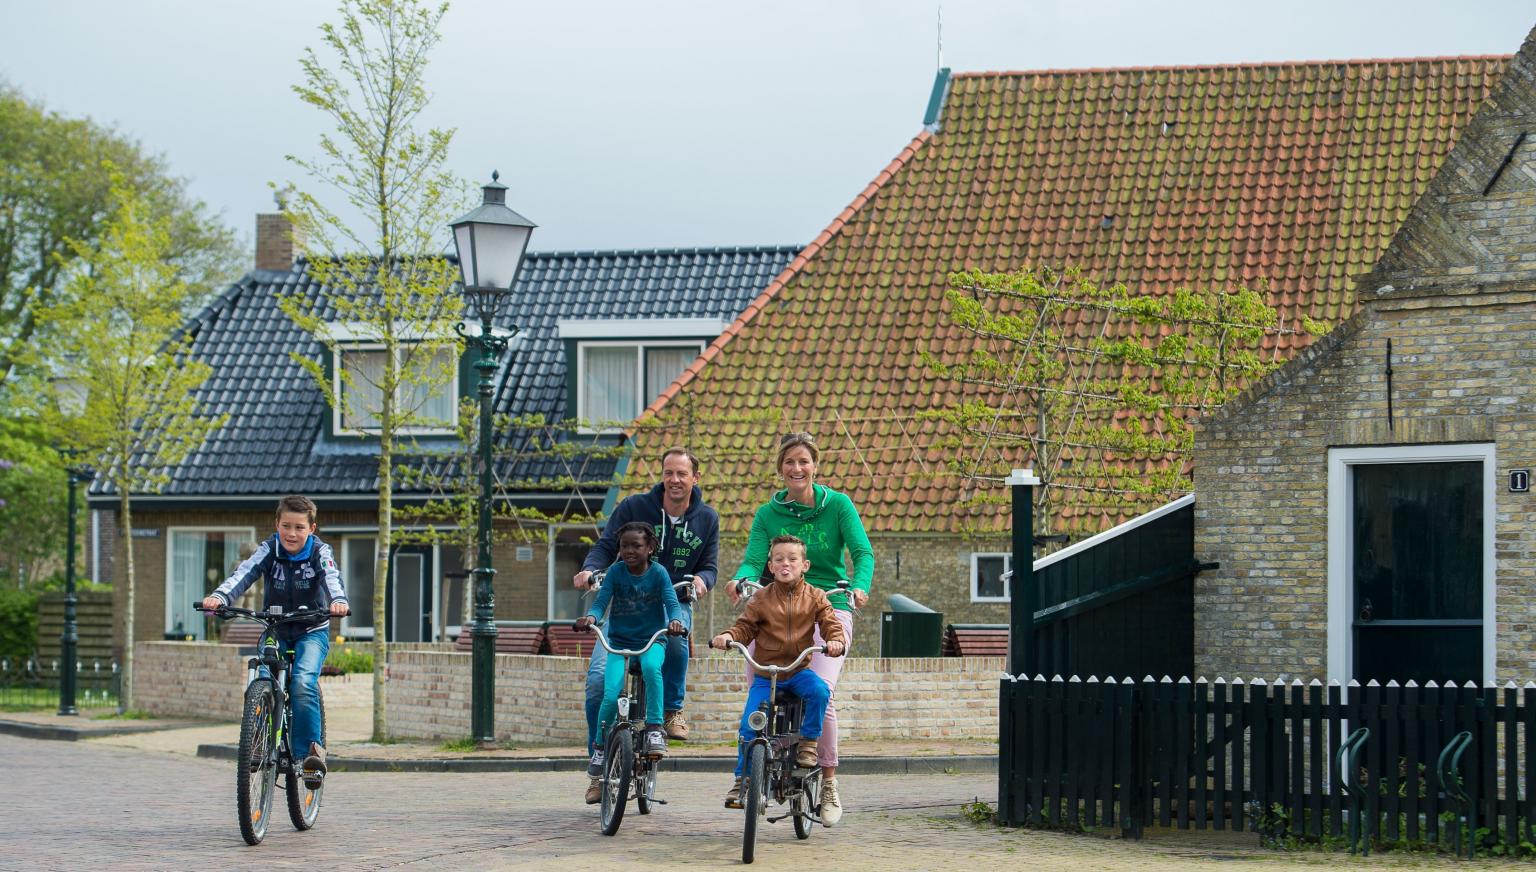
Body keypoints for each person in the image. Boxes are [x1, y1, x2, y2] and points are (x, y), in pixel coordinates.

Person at [723, 431, 873, 826]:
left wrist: (859, 587)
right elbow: (754, 560)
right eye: (789, 462)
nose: (797, 468)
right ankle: (751, 766)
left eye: (804, 461)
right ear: (780, 468)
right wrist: (741, 580)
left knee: (821, 690)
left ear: (815, 465)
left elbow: (862, 552)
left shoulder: (838, 505)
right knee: (760, 686)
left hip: (829, 607)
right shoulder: (767, 514)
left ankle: (827, 783)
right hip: (775, 606)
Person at [573, 447, 719, 803]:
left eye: (682, 474)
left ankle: (671, 711)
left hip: (671, 604)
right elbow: (605, 547)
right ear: (662, 475)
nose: (675, 480)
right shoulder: (634, 508)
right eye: (669, 473)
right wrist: (591, 570)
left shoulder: (707, 518)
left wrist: (701, 580)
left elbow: (710, 566)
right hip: (622, 607)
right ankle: (600, 762)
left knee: (678, 639)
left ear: (694, 478)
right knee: (596, 684)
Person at [202, 494, 348, 788]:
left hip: (311, 629)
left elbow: (332, 577)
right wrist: (220, 597)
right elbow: (244, 572)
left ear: (312, 529)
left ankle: (311, 753)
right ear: (276, 525)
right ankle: (257, 742)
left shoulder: (320, 552)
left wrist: (339, 601)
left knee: (303, 681)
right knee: (261, 678)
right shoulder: (269, 549)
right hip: (276, 628)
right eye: (286, 526)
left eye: (299, 528)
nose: (292, 534)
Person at [711, 534, 846, 809]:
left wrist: (836, 641)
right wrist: (728, 636)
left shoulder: (816, 597)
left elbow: (830, 622)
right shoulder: (760, 598)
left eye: (792, 559)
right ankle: (743, 780)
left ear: (805, 565)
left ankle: (808, 742)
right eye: (779, 559)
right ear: (770, 567)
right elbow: (745, 627)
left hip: (798, 671)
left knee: (820, 692)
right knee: (750, 723)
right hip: (766, 675)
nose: (786, 564)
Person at [575, 522, 685, 781]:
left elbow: (672, 602)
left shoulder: (659, 573)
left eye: (636, 545)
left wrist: (675, 621)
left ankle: (655, 727)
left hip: (651, 641)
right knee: (610, 693)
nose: (629, 551)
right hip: (619, 643)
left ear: (649, 548)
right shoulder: (615, 572)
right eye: (624, 546)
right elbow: (601, 602)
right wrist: (591, 617)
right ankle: (600, 748)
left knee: (650, 668)